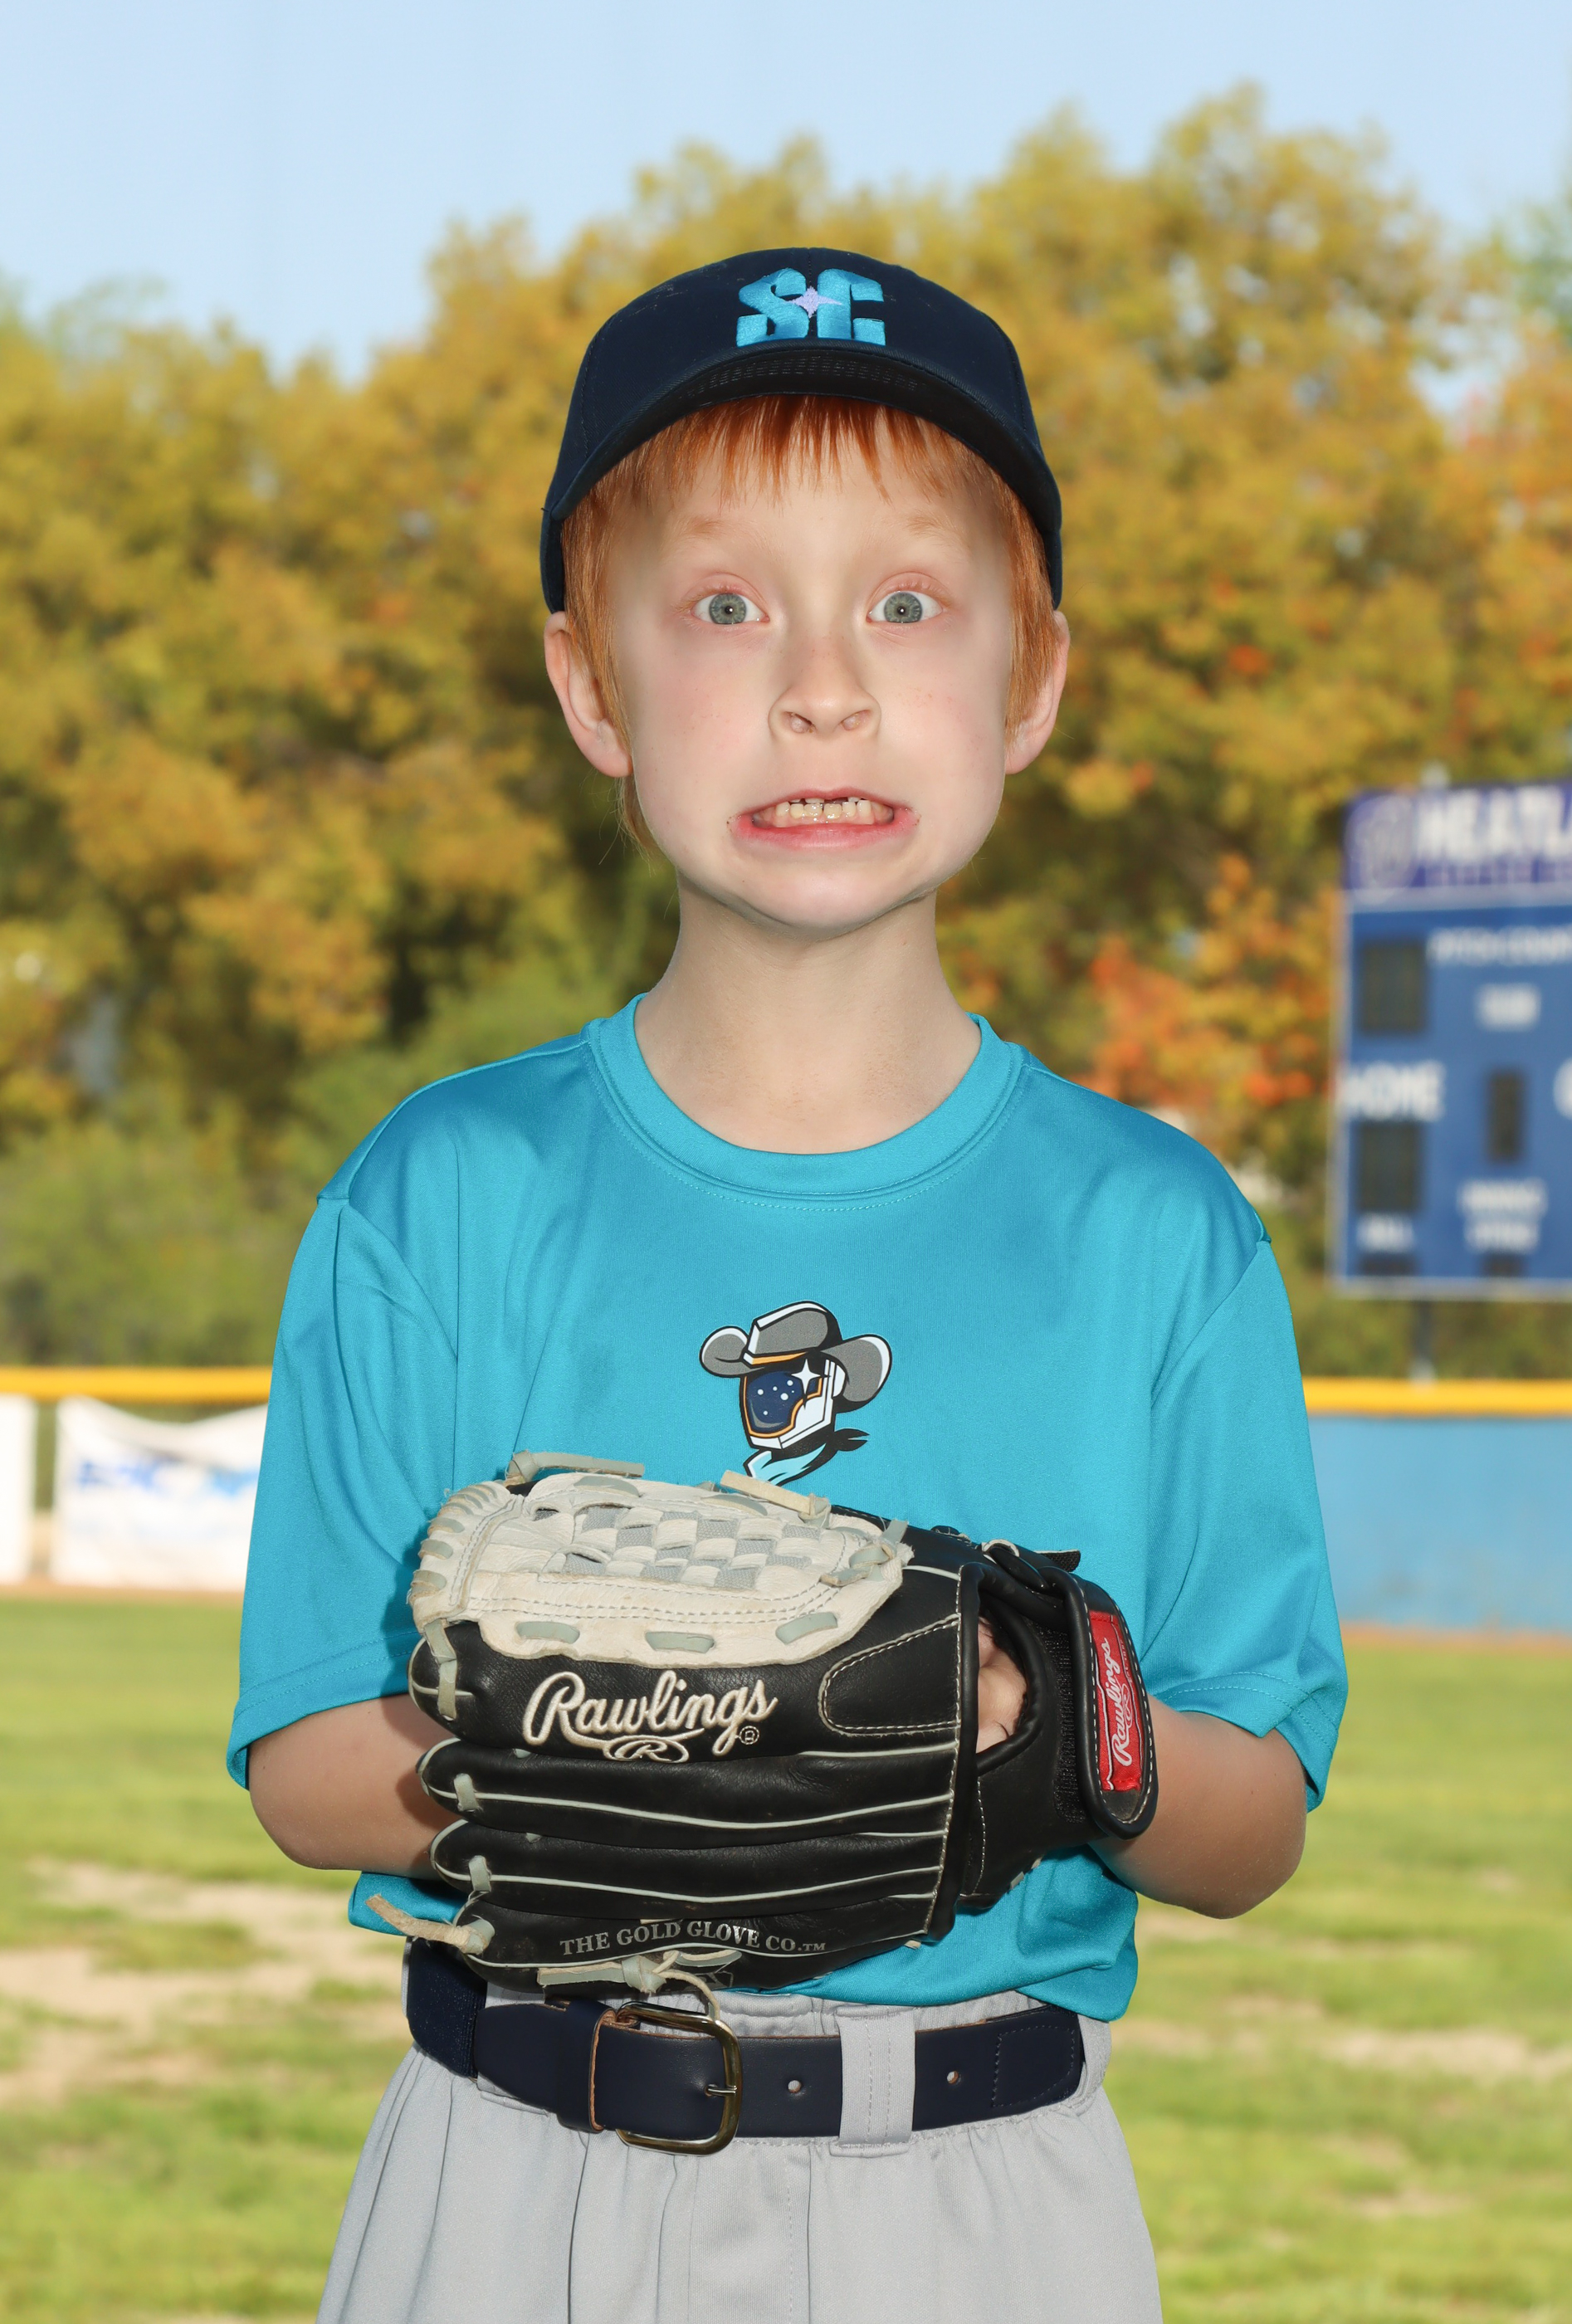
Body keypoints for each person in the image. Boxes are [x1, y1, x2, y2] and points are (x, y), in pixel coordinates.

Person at [231, 248, 1346, 2324]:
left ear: (1032, 678)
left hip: (978, 2196)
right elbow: (304, 1761)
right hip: (520, 2169)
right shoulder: (444, 1190)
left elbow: (1252, 1818)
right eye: (726, 605)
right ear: (592, 685)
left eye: (906, 604)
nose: (820, 686)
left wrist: (1034, 1728)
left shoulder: (1154, 1228)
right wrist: (629, 1732)